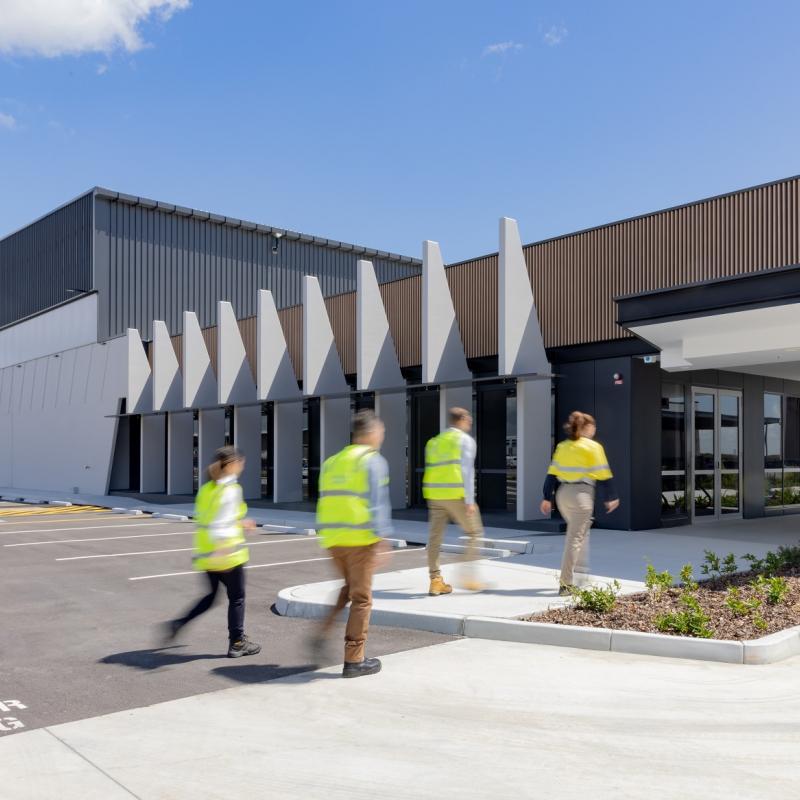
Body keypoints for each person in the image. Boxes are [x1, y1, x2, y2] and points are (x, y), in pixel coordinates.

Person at [313, 410, 393, 678]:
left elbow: (324, 498)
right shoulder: (372, 461)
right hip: (361, 540)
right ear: (370, 433)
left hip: (334, 540)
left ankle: (322, 632)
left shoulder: (332, 461)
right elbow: (377, 502)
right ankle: (355, 660)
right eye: (380, 431)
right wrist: (382, 538)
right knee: (362, 598)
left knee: (349, 589)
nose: (382, 435)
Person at [163, 446, 262, 658]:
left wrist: (241, 522)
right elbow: (220, 523)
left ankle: (179, 623)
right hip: (226, 555)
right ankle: (237, 643)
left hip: (206, 554)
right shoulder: (231, 490)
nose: (243, 467)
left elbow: (209, 518)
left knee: (210, 597)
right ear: (231, 465)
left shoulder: (207, 489)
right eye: (241, 463)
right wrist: (223, 549)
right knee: (237, 598)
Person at [540, 411, 620, 595]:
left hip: (562, 495)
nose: (595, 430)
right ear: (587, 427)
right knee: (574, 539)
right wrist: (612, 496)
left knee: (581, 532)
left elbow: (551, 474)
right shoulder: (592, 447)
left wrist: (546, 497)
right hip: (581, 496)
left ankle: (581, 574)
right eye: (593, 426)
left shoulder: (563, 446)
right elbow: (604, 475)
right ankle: (566, 585)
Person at [422, 406, 484, 595]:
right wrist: (469, 500)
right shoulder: (465, 441)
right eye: (469, 418)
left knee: (434, 539)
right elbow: (467, 470)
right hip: (456, 495)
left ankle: (435, 580)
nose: (470, 422)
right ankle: (467, 576)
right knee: (475, 533)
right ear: (462, 419)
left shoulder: (433, 442)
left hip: (434, 495)